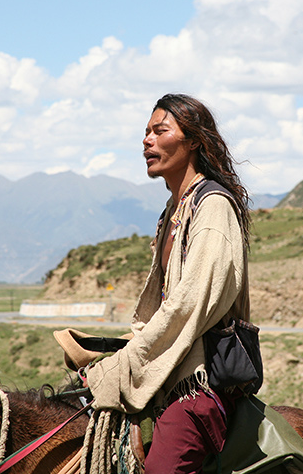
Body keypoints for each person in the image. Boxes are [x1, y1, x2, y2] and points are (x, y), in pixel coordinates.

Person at [85, 93, 252, 474]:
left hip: (197, 384)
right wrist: (115, 354)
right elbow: (158, 307)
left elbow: (190, 304)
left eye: (161, 131)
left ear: (193, 140)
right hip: (166, 375)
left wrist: (127, 364)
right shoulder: (172, 212)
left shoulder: (212, 207)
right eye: (145, 133)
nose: (147, 140)